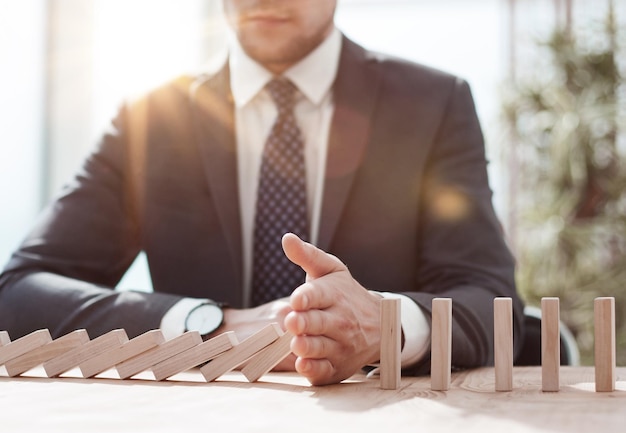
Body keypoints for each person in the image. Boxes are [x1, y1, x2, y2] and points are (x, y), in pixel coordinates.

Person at [0, 0, 524, 385]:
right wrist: (208, 325)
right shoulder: (150, 120)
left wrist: (379, 325)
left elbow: (487, 297)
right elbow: (17, 294)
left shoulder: (433, 105)